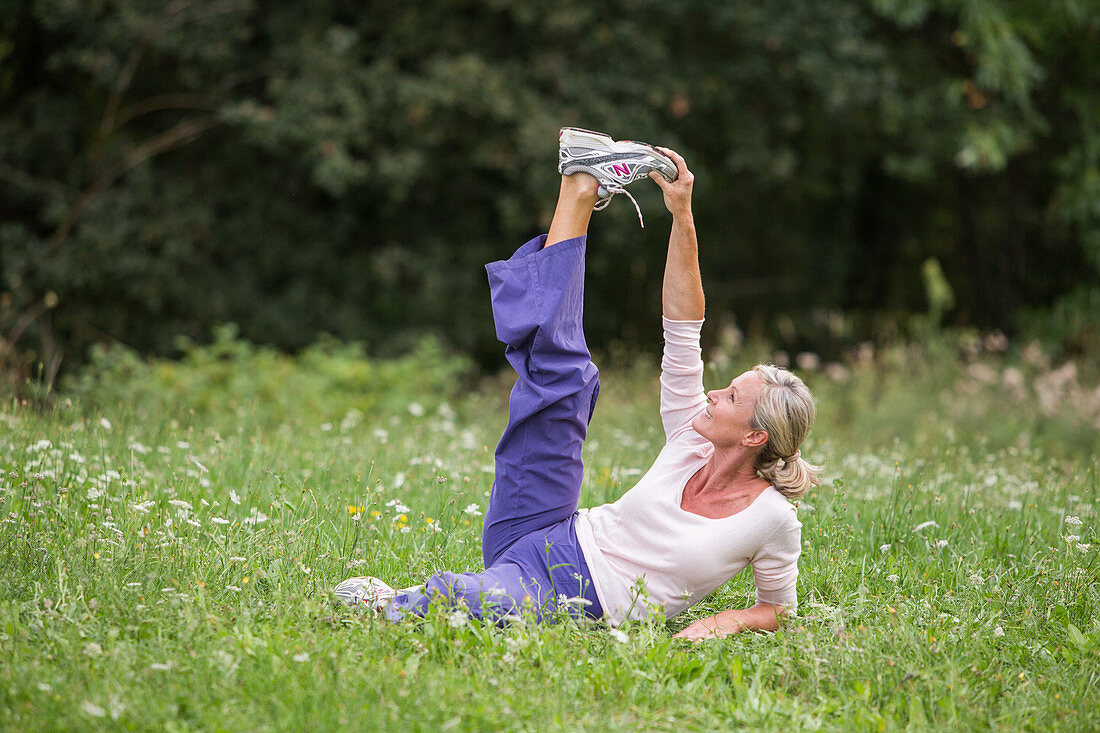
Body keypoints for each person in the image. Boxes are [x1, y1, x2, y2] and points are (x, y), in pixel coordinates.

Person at [334, 128, 819, 640]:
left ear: (754, 436)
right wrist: (681, 215)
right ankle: (581, 183)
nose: (713, 394)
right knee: (564, 381)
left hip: (579, 596)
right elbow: (683, 324)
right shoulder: (692, 437)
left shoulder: (773, 520)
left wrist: (719, 624)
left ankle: (390, 603)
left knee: (482, 599)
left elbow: (777, 609)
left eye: (731, 398)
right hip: (545, 526)